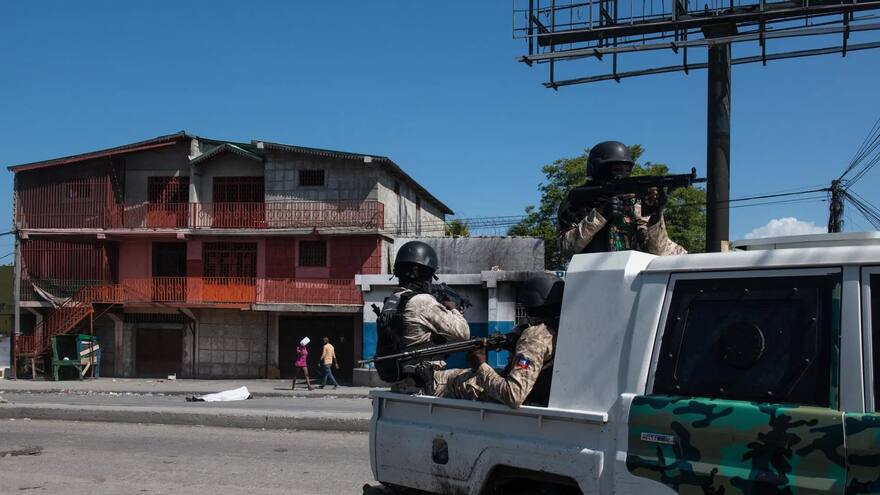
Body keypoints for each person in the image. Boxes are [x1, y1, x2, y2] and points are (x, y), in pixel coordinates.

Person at [433, 274, 564, 409]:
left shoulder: (534, 336)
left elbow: (514, 395)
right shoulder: (558, 328)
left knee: (447, 380)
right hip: (540, 395)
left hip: (517, 402)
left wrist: (480, 365)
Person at [557, 140, 686, 259]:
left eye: (627, 171)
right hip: (590, 277)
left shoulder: (633, 206)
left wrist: (656, 215)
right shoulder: (577, 202)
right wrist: (600, 215)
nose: (623, 175)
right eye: (617, 170)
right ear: (600, 170)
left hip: (629, 277)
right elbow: (567, 249)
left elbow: (659, 251)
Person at [375, 240, 471, 394]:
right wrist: (454, 311)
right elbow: (463, 333)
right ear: (422, 273)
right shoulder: (422, 301)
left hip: (401, 382)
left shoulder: (393, 300)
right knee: (474, 379)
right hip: (425, 384)